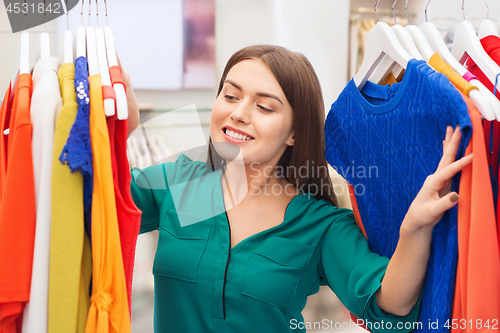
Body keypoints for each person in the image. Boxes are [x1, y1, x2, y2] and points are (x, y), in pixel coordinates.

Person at [122, 45, 472, 332]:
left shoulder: (317, 223)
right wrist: (121, 129)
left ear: (293, 133)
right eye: (230, 96)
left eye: (263, 106)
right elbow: (99, 209)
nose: (239, 113)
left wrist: (415, 227)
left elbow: (389, 304)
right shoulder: (182, 184)